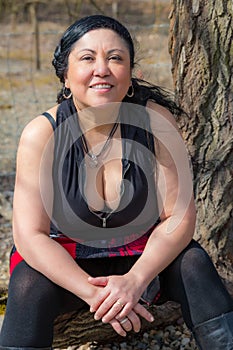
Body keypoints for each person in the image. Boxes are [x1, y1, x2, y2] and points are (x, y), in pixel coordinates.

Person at [0, 14, 232, 350]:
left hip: (142, 256)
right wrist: (94, 293)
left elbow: (178, 217)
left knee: (195, 265)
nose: (102, 69)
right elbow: (29, 236)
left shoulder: (156, 123)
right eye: (87, 58)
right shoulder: (42, 133)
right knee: (27, 285)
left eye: (115, 58)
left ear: (131, 73)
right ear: (66, 75)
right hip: (66, 260)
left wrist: (135, 282)